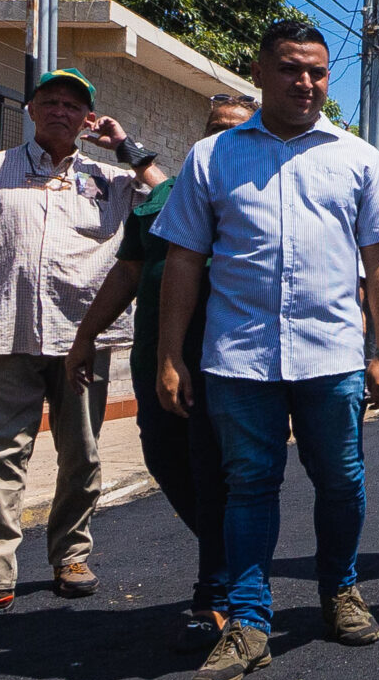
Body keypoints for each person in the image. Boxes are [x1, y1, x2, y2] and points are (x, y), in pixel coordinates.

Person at [153, 21, 379, 680]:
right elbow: (183, 259)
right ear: (260, 73)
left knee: (342, 480)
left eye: (318, 71)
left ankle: (340, 589)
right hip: (240, 359)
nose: (306, 82)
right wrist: (170, 355)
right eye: (292, 68)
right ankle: (248, 620)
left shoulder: (357, 157)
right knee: (248, 487)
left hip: (332, 357)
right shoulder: (213, 157)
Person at [0, 68, 164, 627]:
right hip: (4, 333)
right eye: (51, 101)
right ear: (31, 109)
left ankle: (71, 555)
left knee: (82, 455)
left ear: (89, 118)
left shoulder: (112, 180)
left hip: (82, 339)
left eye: (73, 105)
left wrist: (125, 146)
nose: (61, 111)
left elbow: (169, 199)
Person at [63, 93, 254, 649]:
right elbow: (128, 272)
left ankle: (216, 592)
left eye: (235, 129)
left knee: (214, 474)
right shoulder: (166, 197)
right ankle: (236, 555)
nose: (221, 139)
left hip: (223, 365)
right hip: (157, 363)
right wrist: (85, 336)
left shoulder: (259, 198)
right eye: (213, 128)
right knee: (165, 461)